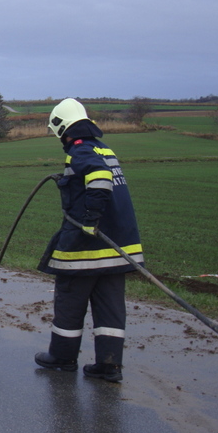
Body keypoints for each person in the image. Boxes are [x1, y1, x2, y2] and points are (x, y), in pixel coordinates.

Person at [34, 98, 144, 382]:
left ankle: (62, 357)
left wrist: (90, 219)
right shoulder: (103, 148)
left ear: (62, 128)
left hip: (87, 247)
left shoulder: (80, 150)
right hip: (117, 248)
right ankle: (109, 364)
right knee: (110, 305)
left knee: (70, 299)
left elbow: (99, 178)